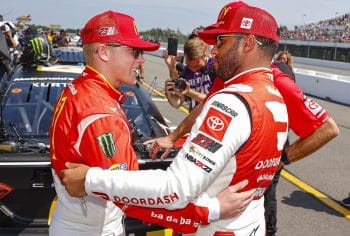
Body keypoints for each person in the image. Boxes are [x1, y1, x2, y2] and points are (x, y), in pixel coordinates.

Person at [61, 2, 290, 235]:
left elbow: (176, 189)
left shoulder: (230, 102)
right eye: (135, 51)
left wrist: (90, 179)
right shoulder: (276, 97)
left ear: (248, 43)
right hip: (251, 224)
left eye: (221, 41)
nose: (214, 51)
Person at [164, 33, 215, 111]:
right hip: (194, 120)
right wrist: (169, 95)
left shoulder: (215, 68)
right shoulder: (186, 71)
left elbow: (215, 101)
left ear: (206, 54)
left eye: (196, 66)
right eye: (189, 65)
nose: (193, 69)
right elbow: (177, 103)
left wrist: (189, 92)